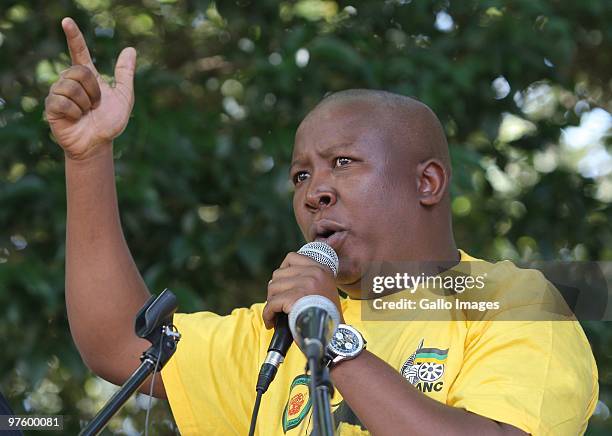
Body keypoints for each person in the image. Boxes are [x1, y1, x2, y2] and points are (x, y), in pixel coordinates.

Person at [45, 17, 598, 435]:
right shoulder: (279, 338)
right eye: (300, 175)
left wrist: (335, 342)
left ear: (427, 183)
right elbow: (120, 342)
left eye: (344, 163)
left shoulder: (513, 301)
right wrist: (88, 157)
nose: (315, 192)